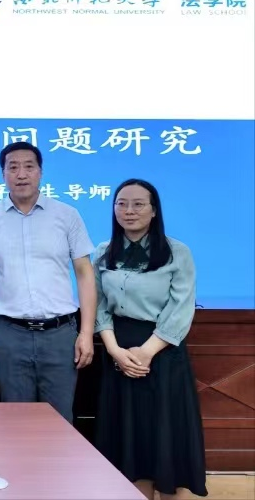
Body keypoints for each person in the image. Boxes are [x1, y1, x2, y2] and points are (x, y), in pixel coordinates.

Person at [93, 179, 208, 499]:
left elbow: (181, 308)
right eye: (121, 204)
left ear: (154, 210)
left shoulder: (176, 252)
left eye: (138, 204)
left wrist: (145, 353)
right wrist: (114, 350)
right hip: (118, 351)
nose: (129, 211)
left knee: (165, 438)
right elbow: (98, 305)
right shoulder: (103, 252)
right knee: (130, 443)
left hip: (162, 352)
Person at [0, 141, 96, 423]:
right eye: (13, 167)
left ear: (40, 172)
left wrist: (87, 332)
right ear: (3, 174)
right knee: (15, 422)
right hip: (9, 335)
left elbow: (84, 273)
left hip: (60, 335)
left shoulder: (67, 215)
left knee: (60, 421)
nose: (21, 174)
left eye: (29, 166)